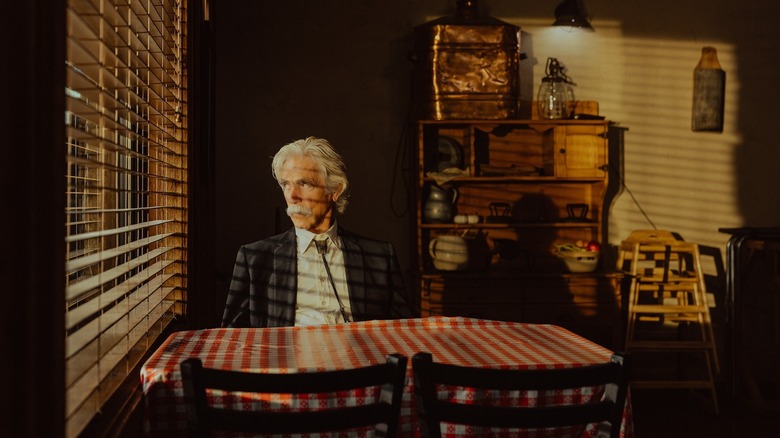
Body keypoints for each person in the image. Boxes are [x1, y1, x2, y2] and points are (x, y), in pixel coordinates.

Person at [221, 136, 416, 328]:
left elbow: (403, 333)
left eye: (304, 184)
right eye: (286, 184)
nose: (292, 196)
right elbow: (233, 343)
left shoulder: (379, 258)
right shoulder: (254, 259)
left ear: (335, 190)